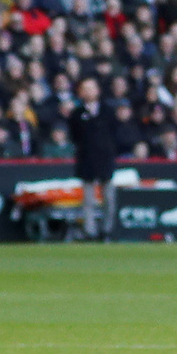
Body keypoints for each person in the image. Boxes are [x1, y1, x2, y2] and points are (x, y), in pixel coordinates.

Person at [67, 77, 117, 241]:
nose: (88, 92)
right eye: (85, 89)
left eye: (91, 88)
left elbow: (114, 133)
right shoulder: (77, 114)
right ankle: (90, 232)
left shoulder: (108, 111)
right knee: (88, 200)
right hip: (86, 160)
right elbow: (75, 136)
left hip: (105, 160)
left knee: (109, 198)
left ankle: (107, 231)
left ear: (98, 90)